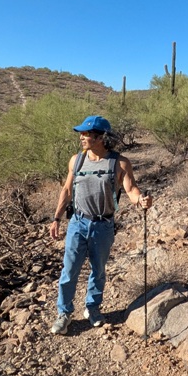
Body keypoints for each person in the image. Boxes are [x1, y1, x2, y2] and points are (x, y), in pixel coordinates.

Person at [48, 115, 153, 335]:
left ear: (101, 137)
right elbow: (67, 191)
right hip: (78, 222)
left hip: (103, 225)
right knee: (69, 271)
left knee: (98, 270)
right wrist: (57, 218)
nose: (82, 137)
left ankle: (93, 308)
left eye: (86, 134)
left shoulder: (120, 163)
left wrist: (141, 200)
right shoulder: (76, 161)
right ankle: (64, 314)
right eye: (81, 133)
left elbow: (131, 189)